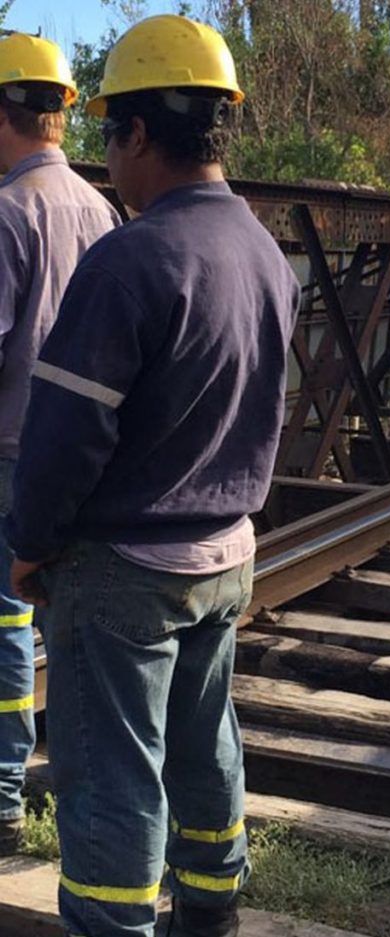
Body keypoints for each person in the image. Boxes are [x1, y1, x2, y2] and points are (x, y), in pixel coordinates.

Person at [4, 14, 299, 937]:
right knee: (205, 743)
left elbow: (68, 434)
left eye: (109, 134)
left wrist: (28, 545)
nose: (108, 157)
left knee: (112, 776)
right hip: (224, 551)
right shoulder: (262, 250)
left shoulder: (133, 260)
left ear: (138, 134)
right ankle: (212, 910)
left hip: (125, 564)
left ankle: (113, 923)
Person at [0, 32, 121, 856]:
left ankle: (2, 796)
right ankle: (55, 780)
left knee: (4, 623)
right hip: (88, 456)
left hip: (11, 451)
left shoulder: (7, 212)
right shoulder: (102, 209)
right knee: (64, 618)